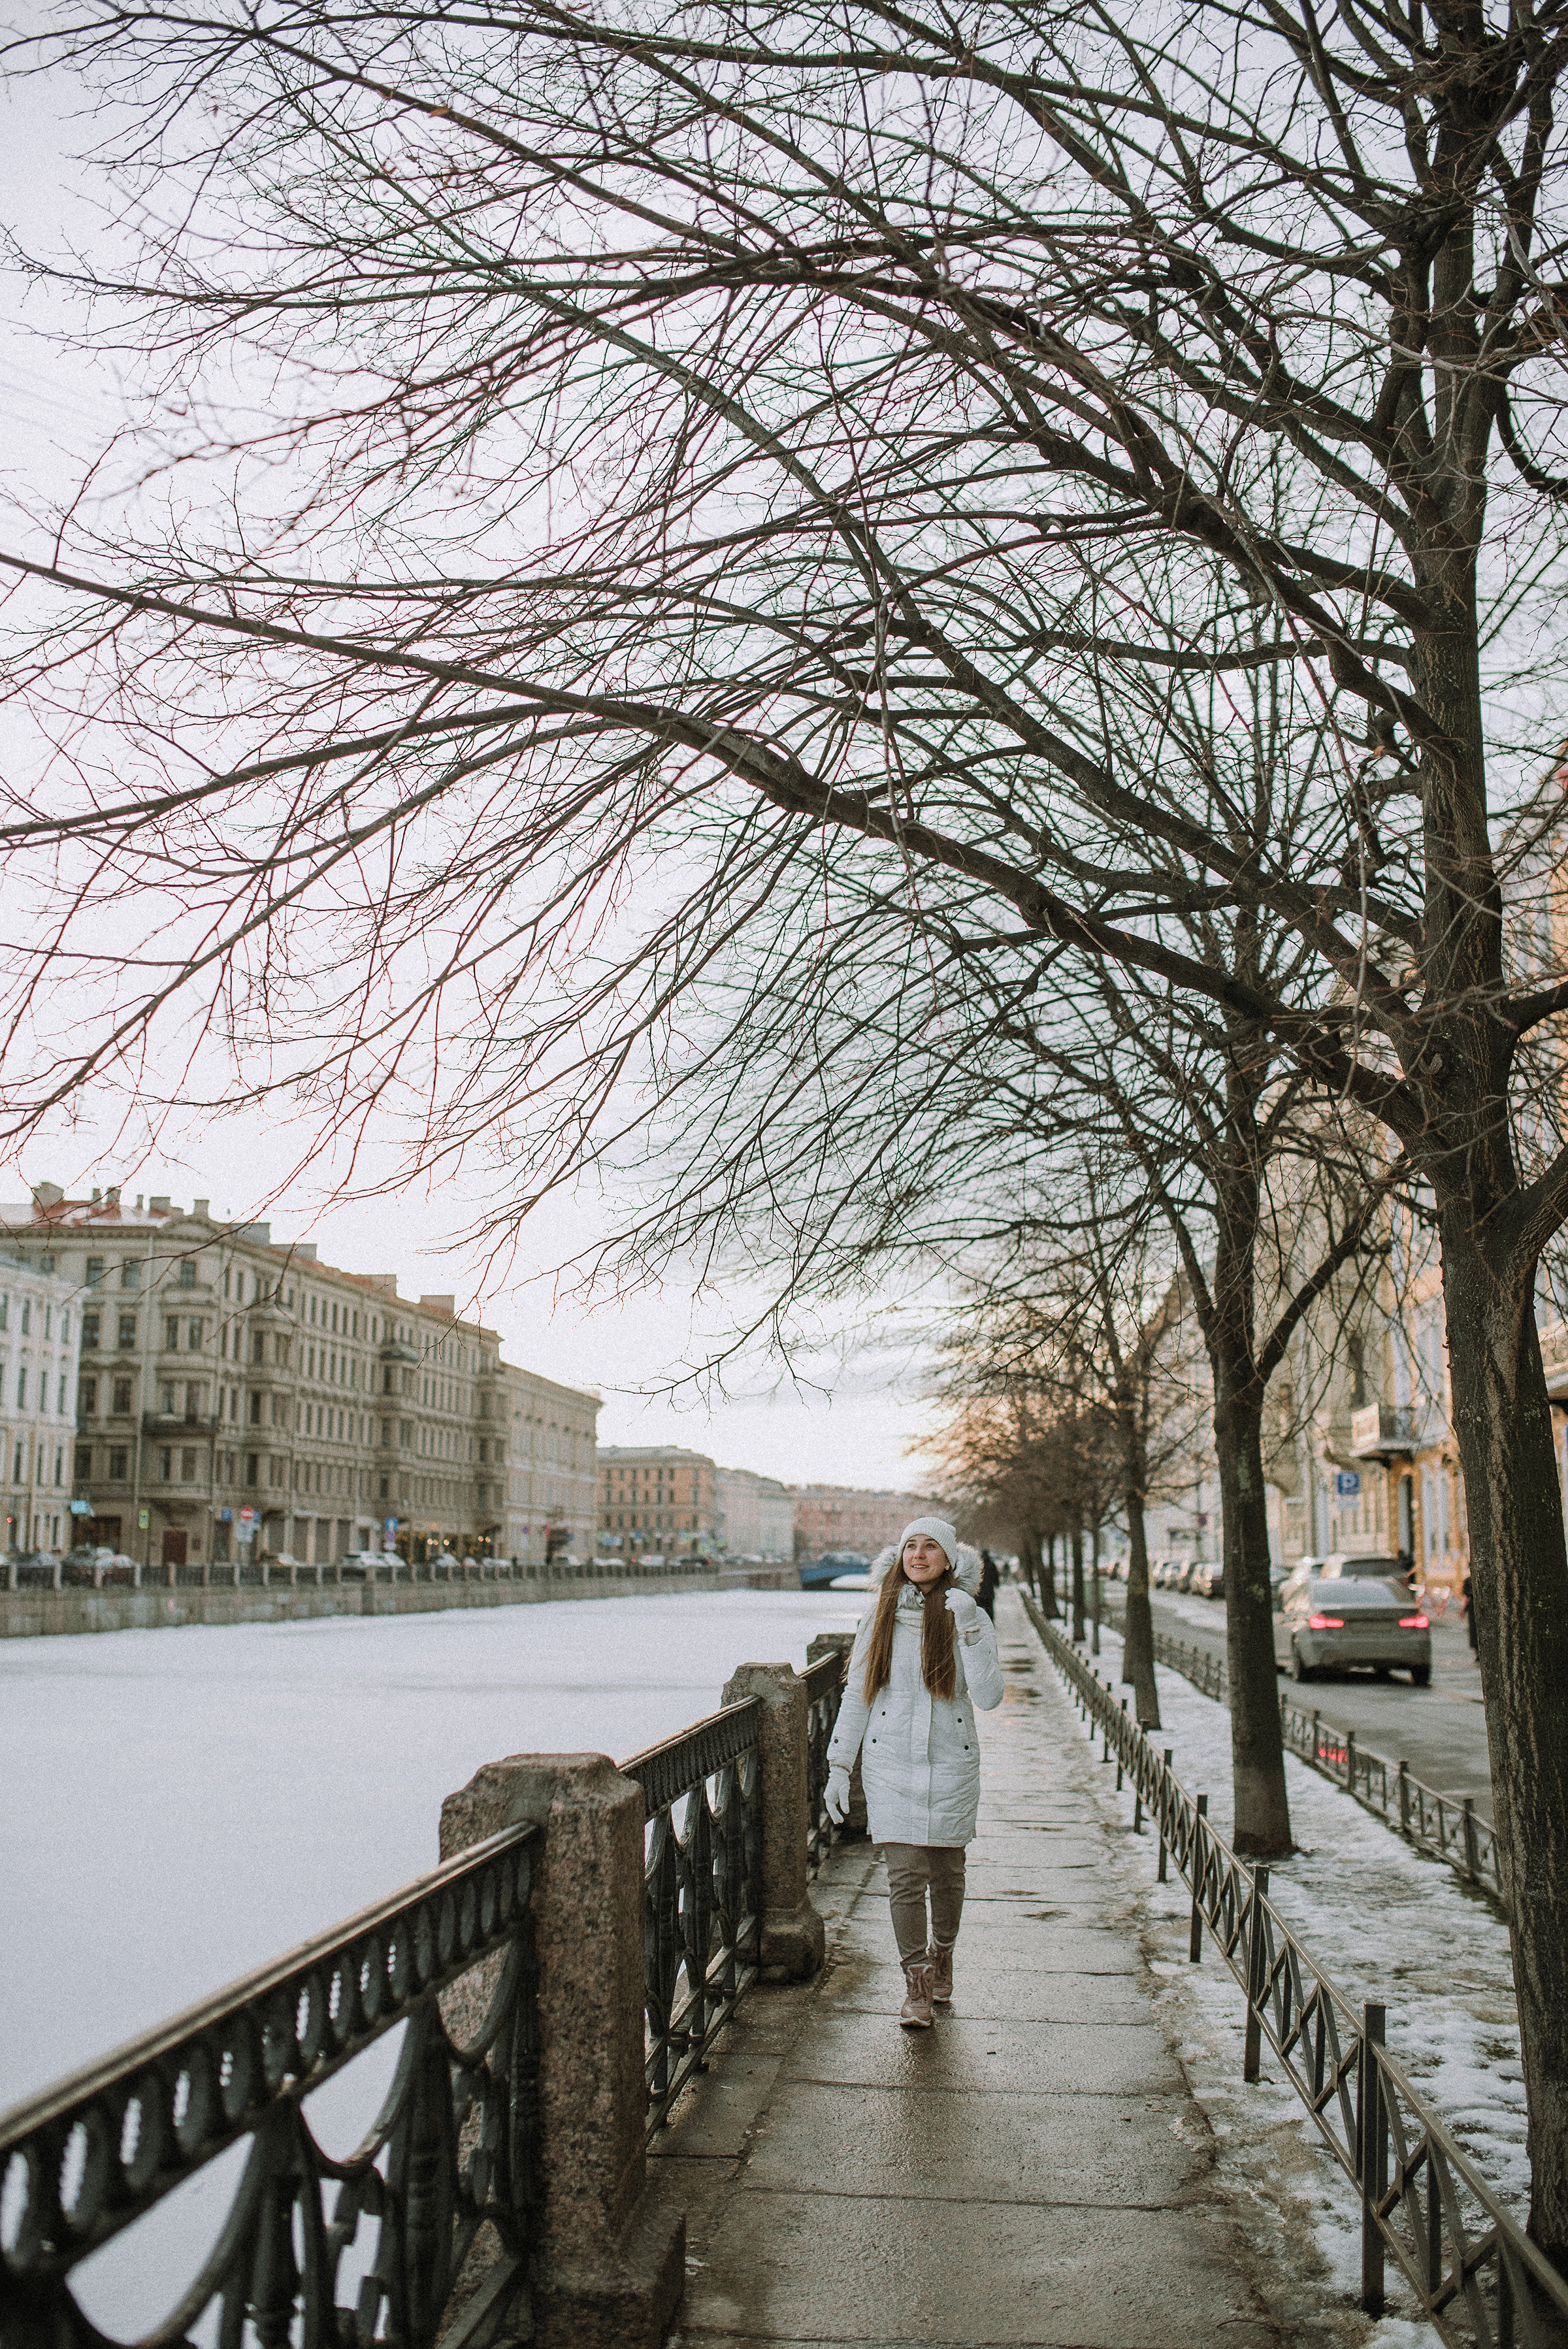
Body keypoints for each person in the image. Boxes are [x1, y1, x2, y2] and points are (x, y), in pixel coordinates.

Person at [824, 1517, 1005, 2028]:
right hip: (891, 1764)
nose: (919, 1555)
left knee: (947, 1872)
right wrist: (839, 1765)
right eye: (910, 1546)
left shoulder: (970, 1614)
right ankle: (917, 1984)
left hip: (952, 1760)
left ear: (949, 1559)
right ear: (899, 1556)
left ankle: (942, 1951)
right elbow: (858, 1693)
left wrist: (969, 1626)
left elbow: (990, 1698)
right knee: (904, 1874)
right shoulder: (878, 1616)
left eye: (931, 1547)